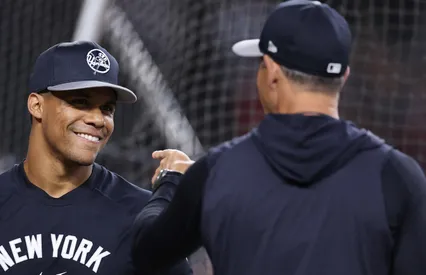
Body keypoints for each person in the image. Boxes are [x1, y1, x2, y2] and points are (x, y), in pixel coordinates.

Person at [131, 1, 426, 275]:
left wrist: (172, 182)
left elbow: (145, 254)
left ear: (271, 71)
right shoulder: (397, 177)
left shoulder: (215, 174)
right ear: (344, 76)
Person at [0, 41, 192, 275]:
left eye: (107, 108)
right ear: (36, 106)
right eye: (80, 102)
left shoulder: (142, 217)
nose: (97, 119)